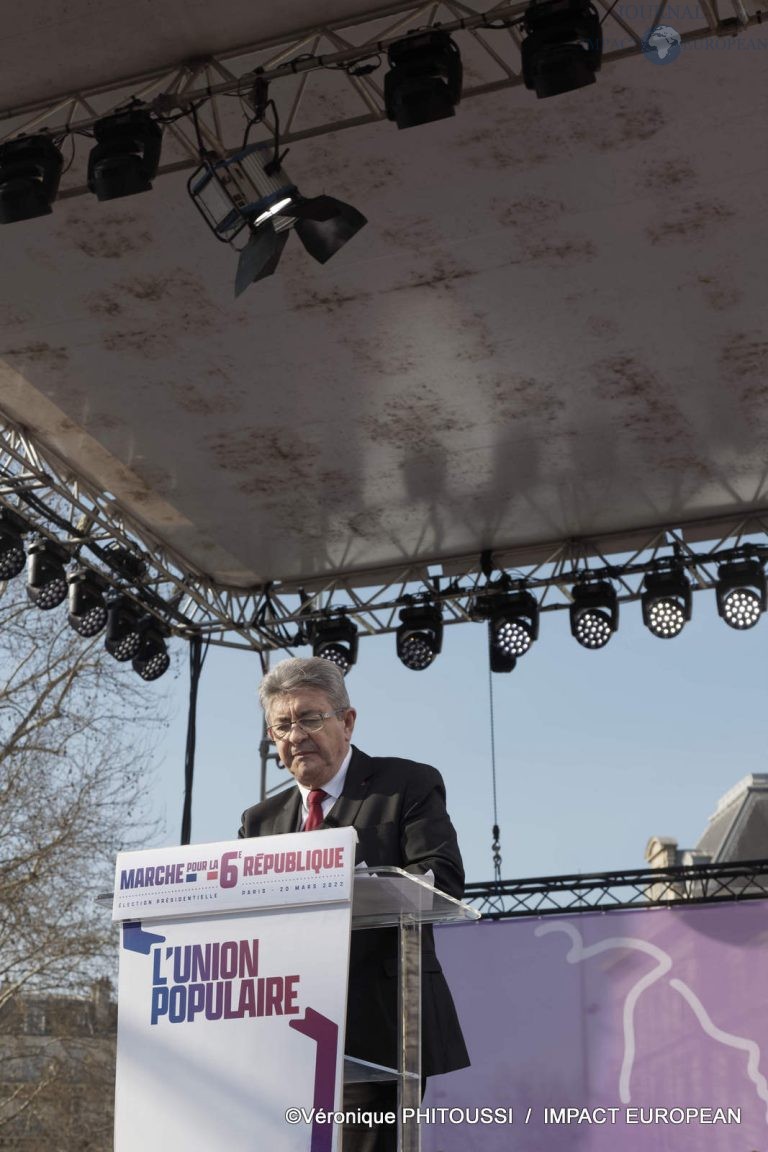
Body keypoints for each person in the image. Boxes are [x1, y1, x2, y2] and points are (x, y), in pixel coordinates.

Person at [239, 656, 469, 1152]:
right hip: (284, 1032)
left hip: (380, 1029)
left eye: (309, 718)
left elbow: (444, 877)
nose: (295, 734)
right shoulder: (259, 821)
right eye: (281, 725)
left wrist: (362, 882)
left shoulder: (404, 785)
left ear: (346, 721)